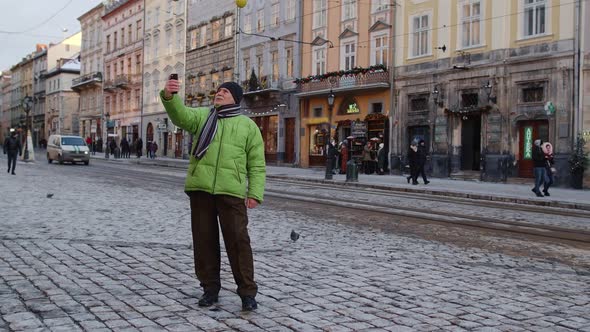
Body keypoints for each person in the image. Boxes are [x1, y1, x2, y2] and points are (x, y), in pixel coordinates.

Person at [161, 78, 265, 311]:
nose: (219, 93)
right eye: (218, 90)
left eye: (225, 91)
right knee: (204, 241)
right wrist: (169, 97)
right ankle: (210, 289)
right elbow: (180, 116)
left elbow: (257, 164)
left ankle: (247, 292)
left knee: (239, 242)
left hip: (232, 192)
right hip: (201, 190)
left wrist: (255, 193)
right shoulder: (203, 118)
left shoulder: (248, 126)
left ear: (235, 98)